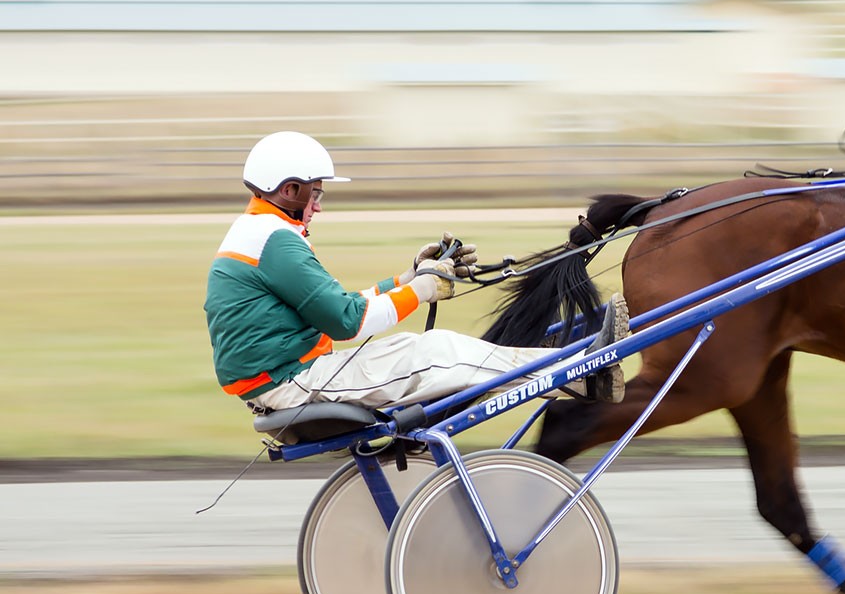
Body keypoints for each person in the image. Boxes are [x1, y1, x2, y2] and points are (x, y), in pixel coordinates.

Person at [205, 131, 628, 419]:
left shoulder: (260, 233)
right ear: (290, 189)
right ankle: (581, 373)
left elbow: (337, 306)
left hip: (289, 376)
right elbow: (350, 323)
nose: (319, 205)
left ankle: (564, 369)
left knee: (428, 351)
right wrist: (424, 289)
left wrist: (407, 277)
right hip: (292, 382)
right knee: (437, 354)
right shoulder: (275, 241)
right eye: (315, 193)